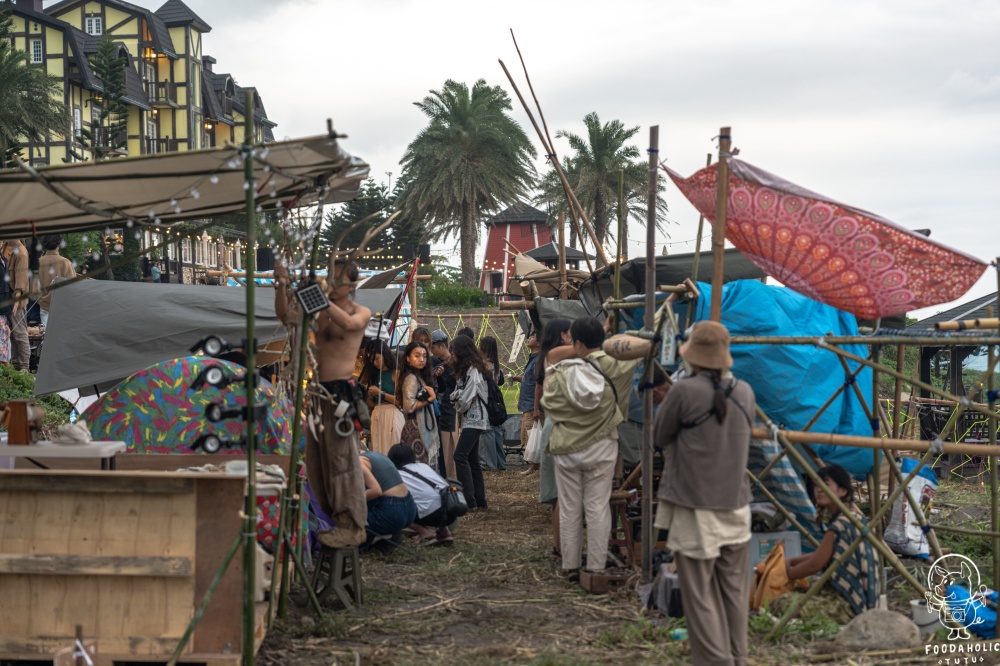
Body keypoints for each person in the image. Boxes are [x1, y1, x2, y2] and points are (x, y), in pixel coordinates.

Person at [652, 320, 756, 666]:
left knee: (699, 596)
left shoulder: (683, 390)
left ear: (693, 355)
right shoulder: (744, 390)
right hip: (736, 504)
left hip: (695, 505)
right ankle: (738, 658)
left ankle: (715, 661)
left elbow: (660, 437)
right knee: (735, 593)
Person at [274, 258, 370, 549]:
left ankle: (353, 524)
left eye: (340, 278)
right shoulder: (319, 311)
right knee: (317, 460)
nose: (334, 281)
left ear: (352, 285)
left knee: (342, 459)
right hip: (317, 393)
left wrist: (318, 299)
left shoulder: (359, 312)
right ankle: (333, 518)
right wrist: (281, 285)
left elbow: (350, 323)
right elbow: (287, 317)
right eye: (332, 276)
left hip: (340, 394)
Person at [543, 317, 637, 582]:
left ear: (577, 343)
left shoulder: (562, 368)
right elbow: (642, 345)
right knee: (597, 507)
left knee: (570, 508)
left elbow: (550, 404)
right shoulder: (619, 364)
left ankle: (570, 566)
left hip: (565, 446)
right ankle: (596, 568)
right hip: (603, 444)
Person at [774, 464, 880, 624]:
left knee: (780, 602)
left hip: (849, 605)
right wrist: (791, 562)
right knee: (801, 589)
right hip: (863, 600)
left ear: (842, 491)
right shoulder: (854, 517)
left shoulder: (841, 524)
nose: (819, 489)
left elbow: (814, 565)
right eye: (816, 484)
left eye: (825, 484)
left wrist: (780, 575)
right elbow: (825, 553)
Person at [534, 318, 572, 560]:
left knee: (560, 496)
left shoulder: (549, 354)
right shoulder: (558, 353)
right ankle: (561, 548)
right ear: (562, 335)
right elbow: (589, 347)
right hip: (559, 427)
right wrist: (607, 328)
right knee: (562, 495)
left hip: (554, 424)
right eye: (570, 333)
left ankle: (560, 547)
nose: (572, 337)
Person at [449, 335, 490, 511]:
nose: (452, 355)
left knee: (460, 456)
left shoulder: (474, 370)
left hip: (476, 418)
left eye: (453, 351)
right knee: (472, 459)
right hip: (471, 419)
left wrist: (457, 402)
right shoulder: (467, 370)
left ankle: (469, 500)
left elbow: (465, 397)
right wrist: (457, 398)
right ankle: (479, 501)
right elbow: (458, 393)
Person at [388, 442, 455, 545]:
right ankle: (444, 531)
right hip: (452, 511)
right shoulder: (423, 466)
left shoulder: (397, 475)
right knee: (433, 498)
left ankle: (425, 533)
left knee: (396, 508)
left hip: (433, 515)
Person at [359, 450, 417, 553]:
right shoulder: (376, 455)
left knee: (352, 527)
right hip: (410, 508)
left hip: (392, 511)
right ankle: (389, 535)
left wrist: (348, 501)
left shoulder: (358, 462)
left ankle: (379, 539)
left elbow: (376, 491)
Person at [396, 341, 440, 470]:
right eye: (417, 355)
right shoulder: (412, 378)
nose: (421, 359)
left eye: (424, 356)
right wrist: (430, 400)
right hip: (416, 428)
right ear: (408, 358)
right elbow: (409, 406)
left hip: (419, 426)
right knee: (419, 466)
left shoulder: (418, 376)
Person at [366, 341, 404, 455]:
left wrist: (381, 393)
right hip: (377, 414)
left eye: (377, 358)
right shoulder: (374, 376)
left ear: (384, 355)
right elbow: (372, 404)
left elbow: (400, 401)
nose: (375, 362)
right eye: (372, 360)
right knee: (378, 449)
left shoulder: (395, 373)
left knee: (391, 449)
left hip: (392, 413)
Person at [430, 329, 459, 479]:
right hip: (442, 411)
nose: (431, 350)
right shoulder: (438, 364)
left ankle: (452, 481)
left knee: (450, 449)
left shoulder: (453, 364)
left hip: (451, 411)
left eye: (432, 347)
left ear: (442, 346)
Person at [478, 335, 506, 471]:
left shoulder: (484, 365)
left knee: (487, 431)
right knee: (497, 431)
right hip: (496, 401)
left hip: (486, 400)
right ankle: (501, 462)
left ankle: (490, 463)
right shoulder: (496, 365)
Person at [513, 329, 539, 473]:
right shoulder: (533, 358)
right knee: (528, 435)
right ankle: (535, 464)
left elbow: (539, 383)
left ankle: (536, 465)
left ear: (540, 343)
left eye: (533, 337)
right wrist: (518, 378)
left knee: (532, 434)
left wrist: (536, 407)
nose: (529, 338)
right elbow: (530, 379)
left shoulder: (539, 360)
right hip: (527, 403)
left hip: (532, 403)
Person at [1, 239, 29, 371]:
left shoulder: (21, 251)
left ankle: (24, 367)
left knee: (19, 333)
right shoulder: (5, 246)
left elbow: (21, 275)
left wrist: (17, 297)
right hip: (6, 298)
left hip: (15, 298)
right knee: (10, 334)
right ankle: (15, 364)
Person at [37, 235, 76, 328]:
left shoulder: (38, 262)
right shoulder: (65, 263)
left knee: (46, 337)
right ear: (59, 244)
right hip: (62, 305)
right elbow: (73, 287)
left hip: (43, 304)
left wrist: (40, 300)